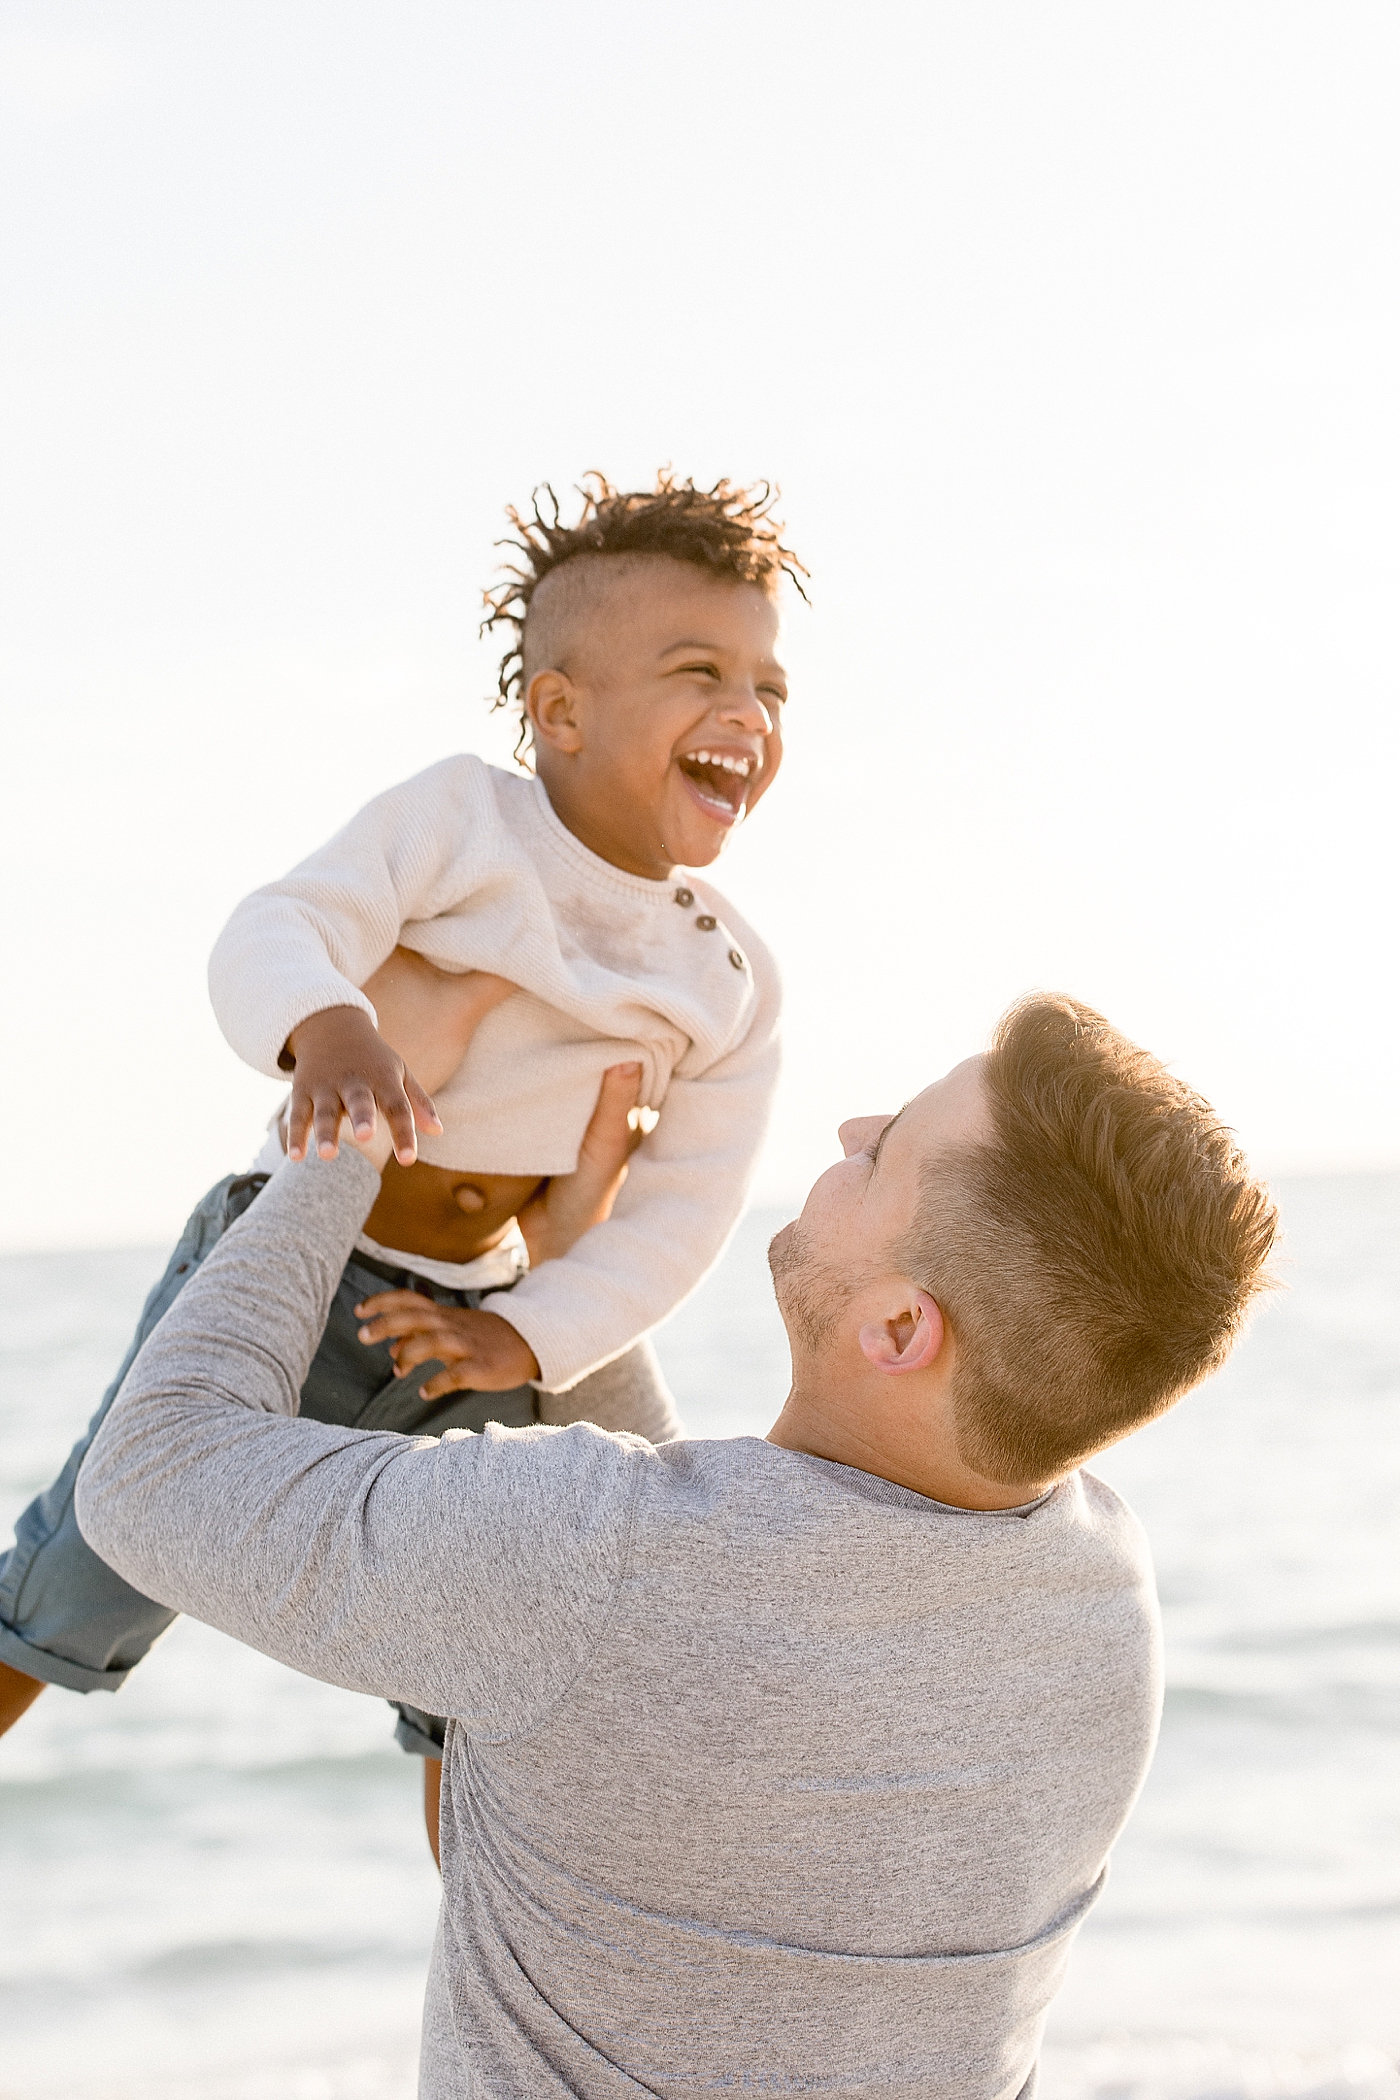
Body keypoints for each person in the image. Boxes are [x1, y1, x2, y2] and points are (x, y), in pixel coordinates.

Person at [73, 987, 1277, 2095]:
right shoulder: (1101, 1608)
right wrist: (569, 1268)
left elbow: (148, 1476)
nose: (850, 1128)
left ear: (901, 1325)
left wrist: (350, 1132)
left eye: (884, 1150)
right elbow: (707, 1574)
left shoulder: (590, 1561)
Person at [0, 471, 799, 1834]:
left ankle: (493, 1986)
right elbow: (275, 924)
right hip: (285, 1276)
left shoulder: (723, 974)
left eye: (771, 685)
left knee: (471, 1691)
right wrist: (330, 1030)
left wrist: (533, 1340)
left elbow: (682, 1216)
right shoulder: (461, 823)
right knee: (81, 1574)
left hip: (472, 1327)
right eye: (699, 670)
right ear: (559, 713)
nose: (749, 712)